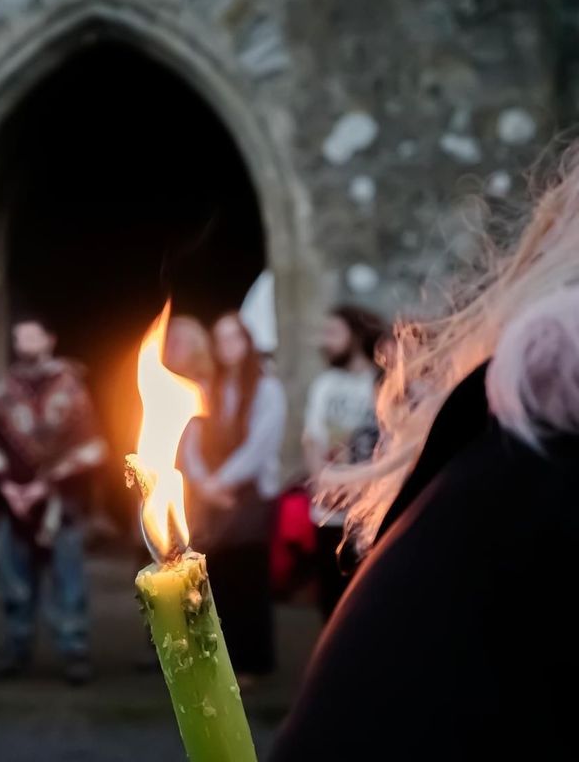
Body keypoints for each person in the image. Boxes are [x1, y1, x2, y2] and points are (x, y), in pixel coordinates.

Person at [271, 153, 579, 760]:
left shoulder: (515, 465)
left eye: (332, 330)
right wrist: (321, 470)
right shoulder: (520, 466)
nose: (322, 340)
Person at [0, 315, 107, 684]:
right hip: (15, 502)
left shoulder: (72, 390)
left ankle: (74, 650)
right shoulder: (1, 392)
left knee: (68, 581)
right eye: (18, 335)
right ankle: (16, 647)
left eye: (32, 335)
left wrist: (47, 484)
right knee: (14, 580)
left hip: (61, 505)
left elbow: (93, 446)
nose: (24, 341)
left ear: (49, 340)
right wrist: (7, 486)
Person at [181, 312, 286, 684]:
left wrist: (220, 483)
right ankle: (217, 658)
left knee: (247, 580)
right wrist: (202, 483)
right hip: (212, 497)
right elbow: (190, 439)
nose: (227, 347)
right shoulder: (207, 388)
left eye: (234, 338)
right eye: (220, 339)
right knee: (215, 579)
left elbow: (260, 446)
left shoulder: (266, 388)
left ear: (247, 343)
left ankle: (250, 663)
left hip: (248, 497)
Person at [301, 304, 386, 618]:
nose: (325, 340)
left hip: (372, 510)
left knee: (369, 603)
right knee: (333, 604)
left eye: (333, 332)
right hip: (330, 512)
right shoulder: (325, 385)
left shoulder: (383, 383)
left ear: (356, 334)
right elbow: (312, 439)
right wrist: (322, 484)